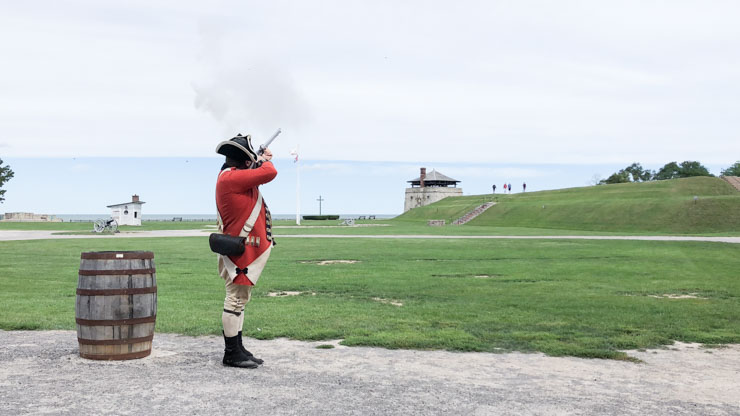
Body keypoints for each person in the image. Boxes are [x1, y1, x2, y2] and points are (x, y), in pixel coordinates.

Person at [215, 134, 277, 369]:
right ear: (245, 159)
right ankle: (231, 353)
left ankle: (238, 348)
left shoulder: (232, 177)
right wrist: (263, 160)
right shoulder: (230, 178)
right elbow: (269, 173)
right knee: (235, 298)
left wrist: (257, 159)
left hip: (244, 250)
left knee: (240, 299)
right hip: (241, 251)